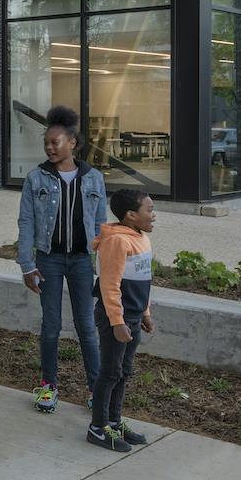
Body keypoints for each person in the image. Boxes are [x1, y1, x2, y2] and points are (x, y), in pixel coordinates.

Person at [16, 104, 108, 413]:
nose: (49, 147)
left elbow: (100, 226)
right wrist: (27, 265)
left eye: (55, 142)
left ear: (73, 143)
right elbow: (26, 222)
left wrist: (104, 266)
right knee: (51, 325)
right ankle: (48, 386)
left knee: (87, 326)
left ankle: (97, 389)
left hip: (82, 261)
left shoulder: (93, 178)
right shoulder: (36, 178)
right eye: (46, 143)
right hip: (49, 261)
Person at [88, 187, 157, 451]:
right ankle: (97, 427)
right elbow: (109, 285)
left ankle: (114, 423)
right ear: (131, 215)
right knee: (110, 371)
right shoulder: (117, 241)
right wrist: (117, 322)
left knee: (124, 371)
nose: (154, 216)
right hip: (115, 317)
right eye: (149, 210)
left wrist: (145, 313)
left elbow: (143, 281)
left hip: (133, 315)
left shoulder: (141, 238)